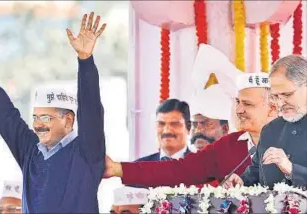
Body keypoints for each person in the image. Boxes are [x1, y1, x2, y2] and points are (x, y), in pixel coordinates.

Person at [0, 12, 107, 212]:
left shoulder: (87, 153)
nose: (38, 125)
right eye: (35, 118)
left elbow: (91, 111)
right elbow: (5, 115)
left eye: (46, 118)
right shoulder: (31, 152)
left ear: (68, 121)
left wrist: (85, 59)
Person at [103, 45, 278, 188]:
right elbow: (179, 170)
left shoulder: (295, 141)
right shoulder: (228, 146)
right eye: (237, 102)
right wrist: (118, 169)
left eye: (247, 104)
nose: (238, 110)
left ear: (272, 108)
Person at [223, 55, 307, 189]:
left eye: (286, 95)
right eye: (275, 96)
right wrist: (241, 181)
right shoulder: (271, 129)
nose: (280, 103)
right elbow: (257, 172)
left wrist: (292, 170)